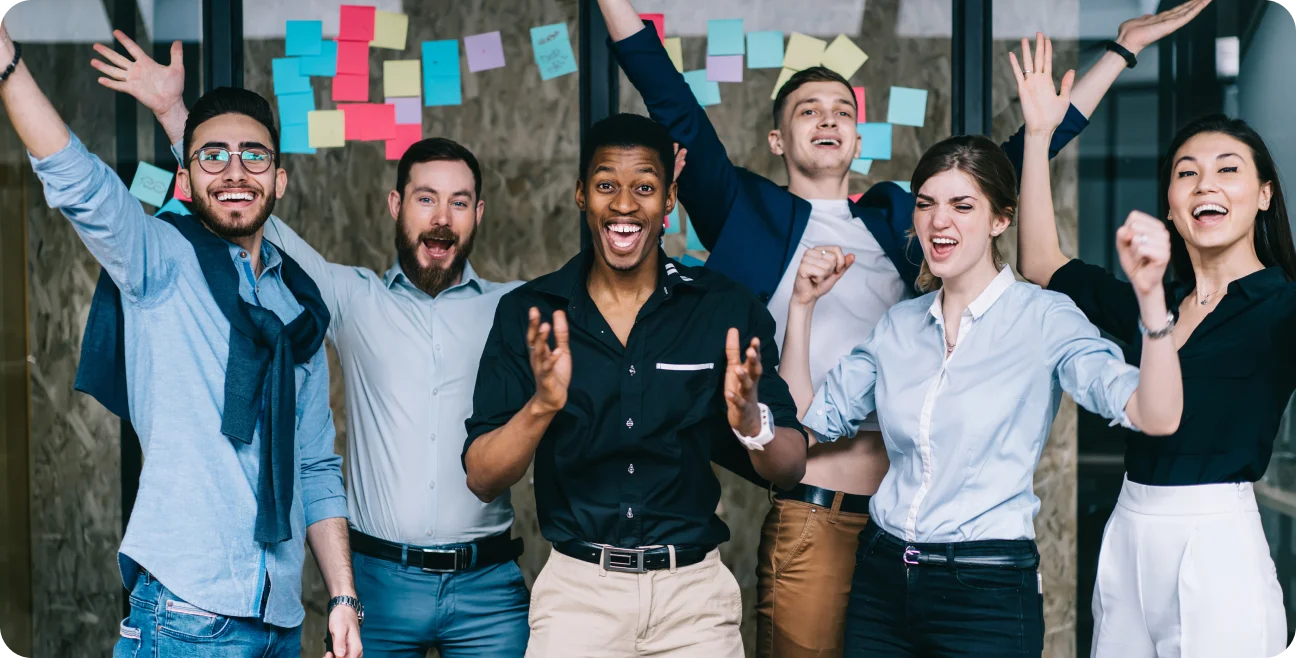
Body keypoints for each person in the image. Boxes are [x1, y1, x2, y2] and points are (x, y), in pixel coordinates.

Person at [595, 0, 1212, 654]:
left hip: (918, 531)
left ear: (860, 139)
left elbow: (1001, 169)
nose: (828, 118)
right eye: (808, 110)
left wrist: (1119, 51)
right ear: (777, 140)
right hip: (819, 514)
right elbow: (670, 98)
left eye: (842, 110)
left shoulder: (900, 224)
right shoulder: (744, 213)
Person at [92, 31, 532, 657]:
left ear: (479, 214)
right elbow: (245, 203)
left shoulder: (513, 308)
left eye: (459, 202)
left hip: (490, 585)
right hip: (379, 583)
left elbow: (601, 290)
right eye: (426, 198)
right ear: (395, 205)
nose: (441, 217)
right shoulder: (347, 297)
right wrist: (172, 116)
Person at [789, 64, 1184, 652]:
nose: (938, 221)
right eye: (925, 204)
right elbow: (809, 425)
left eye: (962, 206)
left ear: (1001, 219)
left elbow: (1155, 414)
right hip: (880, 581)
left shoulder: (1045, 318)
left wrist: (1151, 302)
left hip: (986, 592)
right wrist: (800, 308)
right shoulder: (897, 326)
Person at [0, 17, 362, 658]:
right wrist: (7, 67)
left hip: (279, 617)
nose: (234, 171)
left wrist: (341, 599)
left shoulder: (296, 308)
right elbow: (79, 182)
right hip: (185, 614)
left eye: (255, 157)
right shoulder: (159, 262)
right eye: (212, 157)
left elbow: (315, 468)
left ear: (278, 180)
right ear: (186, 180)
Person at [462, 113, 808, 658]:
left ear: (669, 199)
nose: (624, 205)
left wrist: (752, 424)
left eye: (644, 187)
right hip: (577, 598)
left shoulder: (724, 310)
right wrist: (543, 405)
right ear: (582, 194)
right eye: (606, 185)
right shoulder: (528, 314)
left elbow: (790, 466)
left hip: (693, 603)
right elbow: (482, 477)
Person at [1013, 34, 1290, 658]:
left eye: (1228, 170)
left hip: (1217, 539)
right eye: (1186, 173)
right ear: (1169, 200)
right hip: (1130, 528)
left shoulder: (1283, 308)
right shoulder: (1153, 299)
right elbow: (1041, 261)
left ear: (1264, 194)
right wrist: (1037, 137)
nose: (1204, 185)